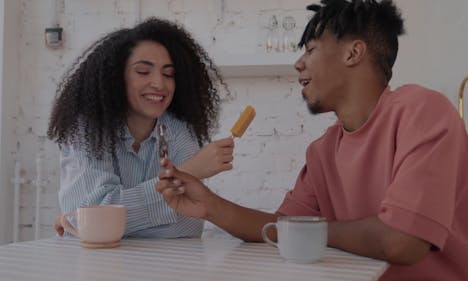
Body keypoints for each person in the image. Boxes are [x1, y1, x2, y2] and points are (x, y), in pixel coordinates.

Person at [155, 0, 468, 280]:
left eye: (311, 49)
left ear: (353, 52)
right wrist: (209, 205)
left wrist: (308, 231)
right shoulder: (322, 151)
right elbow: (279, 228)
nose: (298, 63)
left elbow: (403, 241)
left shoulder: (423, 112)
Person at [48, 17, 235, 238]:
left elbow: (186, 226)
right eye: (143, 72)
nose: (159, 83)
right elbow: (90, 223)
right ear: (117, 77)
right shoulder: (87, 130)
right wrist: (188, 172)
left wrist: (109, 216)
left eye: (169, 74)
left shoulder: (180, 130)